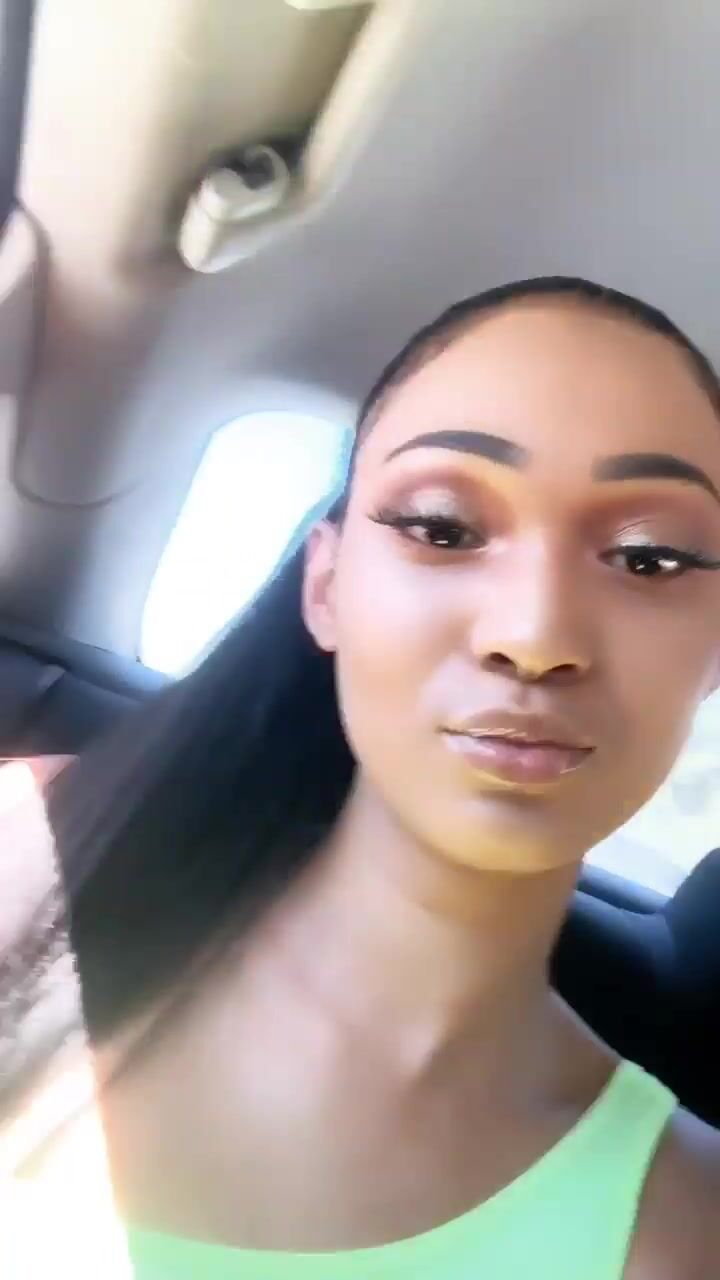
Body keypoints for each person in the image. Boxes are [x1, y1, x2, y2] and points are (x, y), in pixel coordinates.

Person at [4, 276, 720, 1277]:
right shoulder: (27, 852)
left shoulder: (685, 1227)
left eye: (649, 558)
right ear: (328, 585)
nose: (535, 634)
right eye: (443, 529)